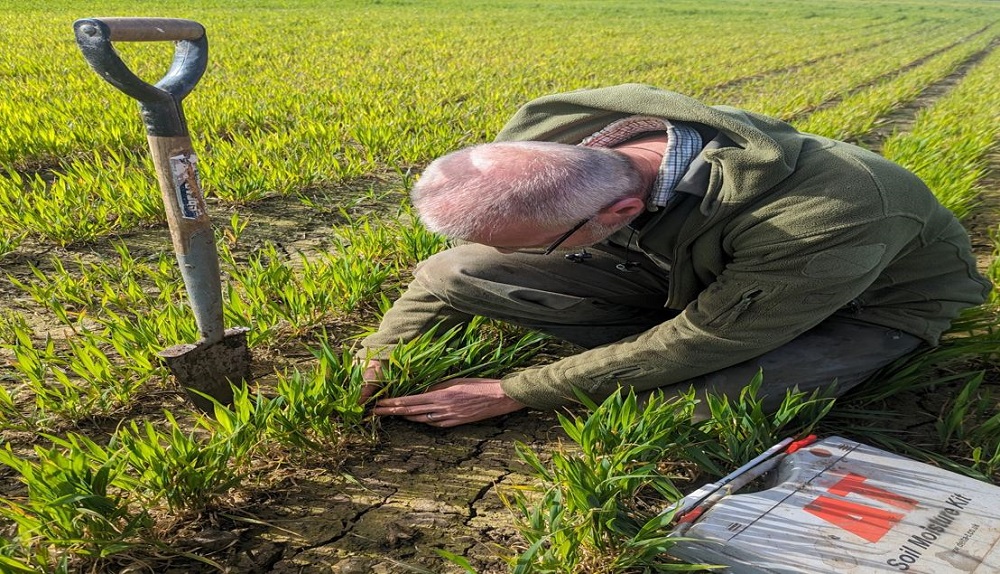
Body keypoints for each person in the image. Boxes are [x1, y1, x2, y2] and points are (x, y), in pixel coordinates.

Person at [358, 84, 991, 428]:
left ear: (621, 215)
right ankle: (636, 348)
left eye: (541, 243)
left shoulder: (830, 215)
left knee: (686, 405)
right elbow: (451, 276)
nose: (516, 255)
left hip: (858, 304)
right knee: (454, 271)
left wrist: (518, 390)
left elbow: (708, 337)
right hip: (692, 268)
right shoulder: (560, 145)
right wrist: (377, 357)